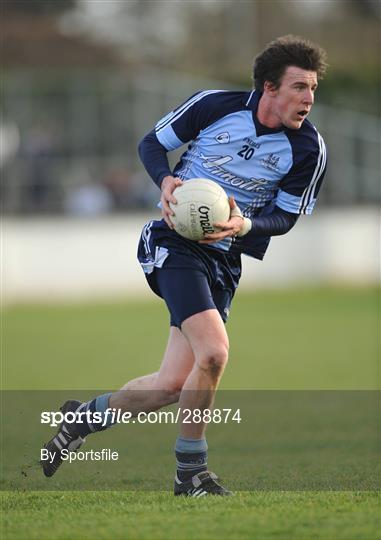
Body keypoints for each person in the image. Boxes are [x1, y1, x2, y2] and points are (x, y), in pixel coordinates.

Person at [41, 35, 328, 496]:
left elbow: (287, 216)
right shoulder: (216, 106)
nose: (309, 99)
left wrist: (244, 225)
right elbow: (152, 144)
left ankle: (81, 418)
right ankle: (190, 473)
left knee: (171, 384)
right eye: (299, 87)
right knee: (214, 352)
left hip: (225, 259)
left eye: (313, 88)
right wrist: (166, 178)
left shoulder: (309, 149)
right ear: (270, 88)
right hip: (173, 243)